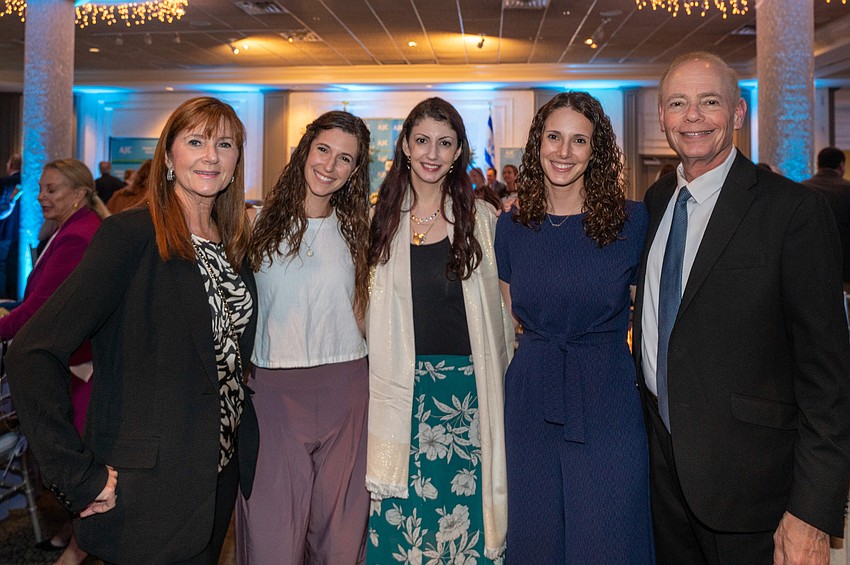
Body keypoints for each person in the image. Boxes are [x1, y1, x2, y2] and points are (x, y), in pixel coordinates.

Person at [7, 96, 259, 564]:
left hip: (217, 474)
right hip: (148, 484)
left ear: (236, 161)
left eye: (225, 144)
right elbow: (32, 352)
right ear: (169, 157)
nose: (211, 156)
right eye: (196, 142)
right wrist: (76, 474)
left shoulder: (233, 245)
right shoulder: (130, 235)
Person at [634, 51, 850, 565]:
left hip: (756, 496)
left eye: (709, 102)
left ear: (737, 113)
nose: (693, 116)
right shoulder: (658, 201)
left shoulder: (793, 211)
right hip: (664, 487)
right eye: (678, 103)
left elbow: (829, 379)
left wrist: (812, 512)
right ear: (661, 116)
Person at [494, 91, 652, 563]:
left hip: (607, 395)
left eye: (579, 140)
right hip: (531, 398)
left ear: (595, 150)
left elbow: (649, 313)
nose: (564, 151)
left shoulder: (631, 221)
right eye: (554, 137)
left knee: (610, 533)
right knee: (537, 534)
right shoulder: (512, 227)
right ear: (537, 144)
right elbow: (511, 310)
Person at [366, 97, 513, 563]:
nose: (432, 153)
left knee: (464, 528)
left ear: (458, 153)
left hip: (468, 400)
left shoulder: (483, 222)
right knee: (403, 528)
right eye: (423, 140)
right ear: (406, 146)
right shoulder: (377, 222)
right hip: (399, 397)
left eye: (444, 143)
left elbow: (506, 315)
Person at [236, 111, 372, 564]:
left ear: (355, 170)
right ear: (304, 150)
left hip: (347, 390)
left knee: (340, 539)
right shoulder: (252, 224)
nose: (329, 165)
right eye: (323, 150)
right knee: (271, 539)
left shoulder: (361, 232)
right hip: (272, 394)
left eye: (344, 158)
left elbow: (365, 313)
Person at [0, 159, 108, 564]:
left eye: (51, 189)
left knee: (76, 463)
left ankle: (79, 545)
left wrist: (4, 326)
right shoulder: (73, 228)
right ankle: (73, 533)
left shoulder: (78, 236)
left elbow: (41, 309)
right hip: (75, 361)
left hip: (78, 367)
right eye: (41, 188)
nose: (41, 197)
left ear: (79, 194)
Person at [803, 147, 850, 291]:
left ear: (818, 164)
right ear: (841, 165)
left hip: (811, 266)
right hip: (845, 267)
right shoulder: (847, 189)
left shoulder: (803, 189)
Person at [0, 154, 21, 298]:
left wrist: (11, 200)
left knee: (2, 266)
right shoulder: (28, 182)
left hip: (4, 231)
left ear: (10, 165)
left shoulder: (4, 182)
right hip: (21, 233)